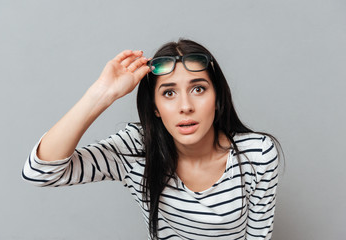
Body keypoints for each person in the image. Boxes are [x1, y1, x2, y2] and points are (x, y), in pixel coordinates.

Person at [22, 39, 281, 240]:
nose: (185, 106)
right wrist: (102, 94)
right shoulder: (136, 149)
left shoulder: (256, 154)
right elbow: (41, 173)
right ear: (155, 107)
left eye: (198, 89)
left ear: (218, 98)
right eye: (169, 93)